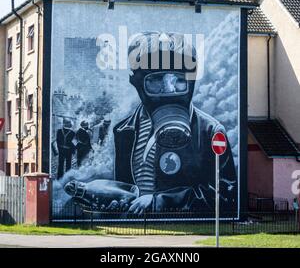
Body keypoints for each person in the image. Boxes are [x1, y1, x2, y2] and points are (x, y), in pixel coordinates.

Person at [65, 32, 237, 215]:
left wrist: (160, 203)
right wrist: (118, 203)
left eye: (179, 80)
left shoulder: (210, 132)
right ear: (136, 82)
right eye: (155, 80)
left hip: (179, 229)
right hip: (137, 230)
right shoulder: (123, 132)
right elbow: (127, 191)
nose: (168, 90)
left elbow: (226, 195)